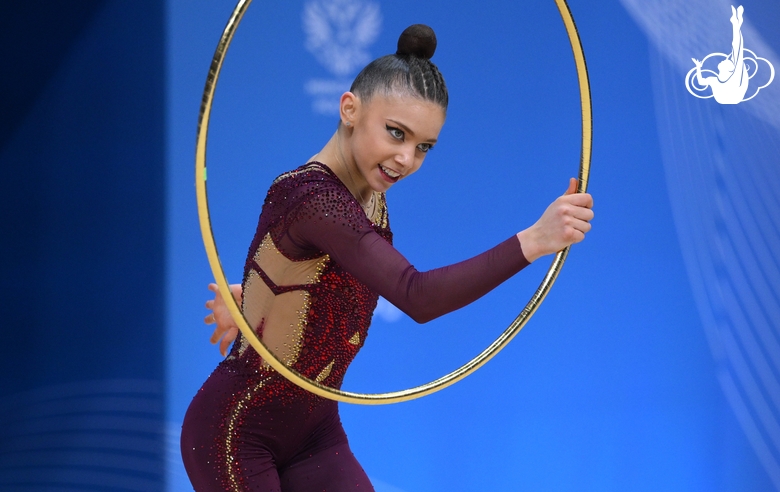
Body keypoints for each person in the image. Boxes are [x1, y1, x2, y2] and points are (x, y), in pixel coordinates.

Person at [181, 24, 594, 491]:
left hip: (314, 430)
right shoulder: (312, 196)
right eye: (395, 133)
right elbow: (416, 296)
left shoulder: (368, 195)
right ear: (349, 108)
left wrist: (255, 297)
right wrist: (534, 240)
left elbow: (311, 270)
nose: (406, 158)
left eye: (423, 147)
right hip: (238, 429)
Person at [692, 5, 748, 104]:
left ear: (729, 69)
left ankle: (736, 23)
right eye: (727, 60)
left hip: (733, 96)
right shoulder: (715, 80)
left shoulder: (734, 78)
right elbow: (701, 82)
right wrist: (698, 67)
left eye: (727, 61)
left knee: (737, 51)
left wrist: (736, 26)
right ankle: (736, 23)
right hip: (727, 97)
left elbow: (738, 48)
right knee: (737, 52)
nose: (724, 59)